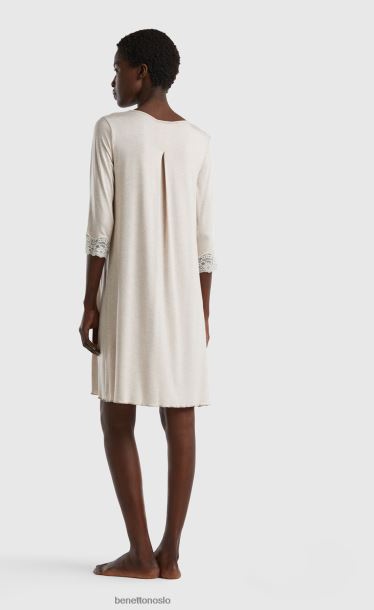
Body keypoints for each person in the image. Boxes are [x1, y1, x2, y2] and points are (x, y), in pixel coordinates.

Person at [78, 29, 217, 580]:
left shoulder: (111, 130)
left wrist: (89, 303)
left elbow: (100, 229)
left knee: (117, 416)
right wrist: (203, 312)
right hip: (185, 299)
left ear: (141, 72)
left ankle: (140, 555)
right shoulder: (199, 141)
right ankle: (170, 554)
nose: (112, 80)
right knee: (179, 416)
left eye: (118, 68)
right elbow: (206, 243)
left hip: (127, 292)